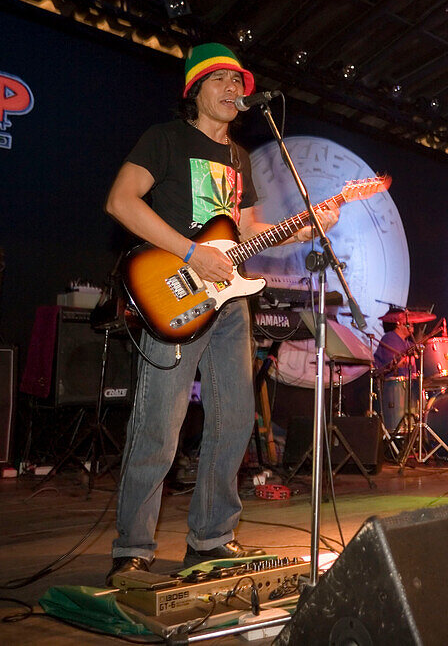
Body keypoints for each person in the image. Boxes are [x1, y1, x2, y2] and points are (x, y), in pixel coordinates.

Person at [103, 43, 338, 585]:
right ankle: (132, 548)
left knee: (234, 421)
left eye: (241, 83)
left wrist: (301, 226)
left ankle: (210, 540)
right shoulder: (164, 139)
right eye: (224, 81)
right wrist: (190, 254)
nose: (237, 91)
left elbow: (245, 233)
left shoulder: (240, 157)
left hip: (229, 303)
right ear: (195, 89)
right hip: (175, 295)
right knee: (159, 426)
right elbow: (121, 202)